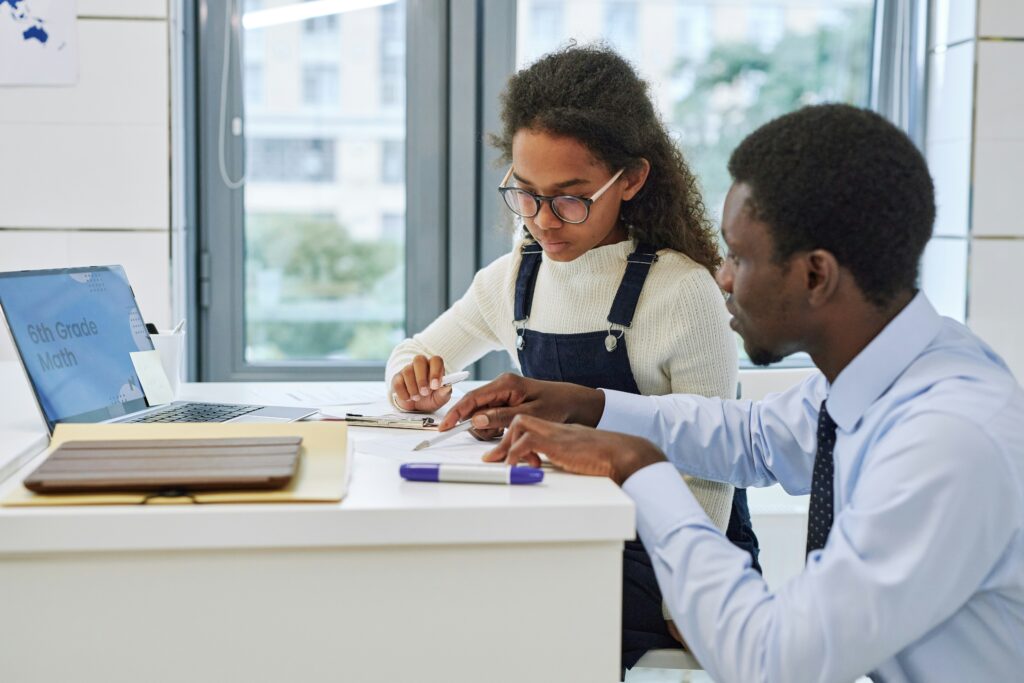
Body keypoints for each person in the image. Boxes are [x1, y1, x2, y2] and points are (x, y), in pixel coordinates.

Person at [440, 103, 1024, 682]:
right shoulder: (892, 366)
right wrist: (592, 406)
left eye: (739, 258)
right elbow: (755, 438)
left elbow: (772, 664)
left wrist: (641, 469)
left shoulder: (947, 443)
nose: (722, 278)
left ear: (815, 276)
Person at [385, 45, 760, 667]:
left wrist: (689, 600)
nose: (543, 221)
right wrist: (413, 381)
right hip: (566, 525)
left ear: (632, 180)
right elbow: (417, 351)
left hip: (672, 548)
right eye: (526, 194)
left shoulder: (682, 291)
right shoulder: (515, 278)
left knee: (521, 620)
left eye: (571, 197)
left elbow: (709, 468)